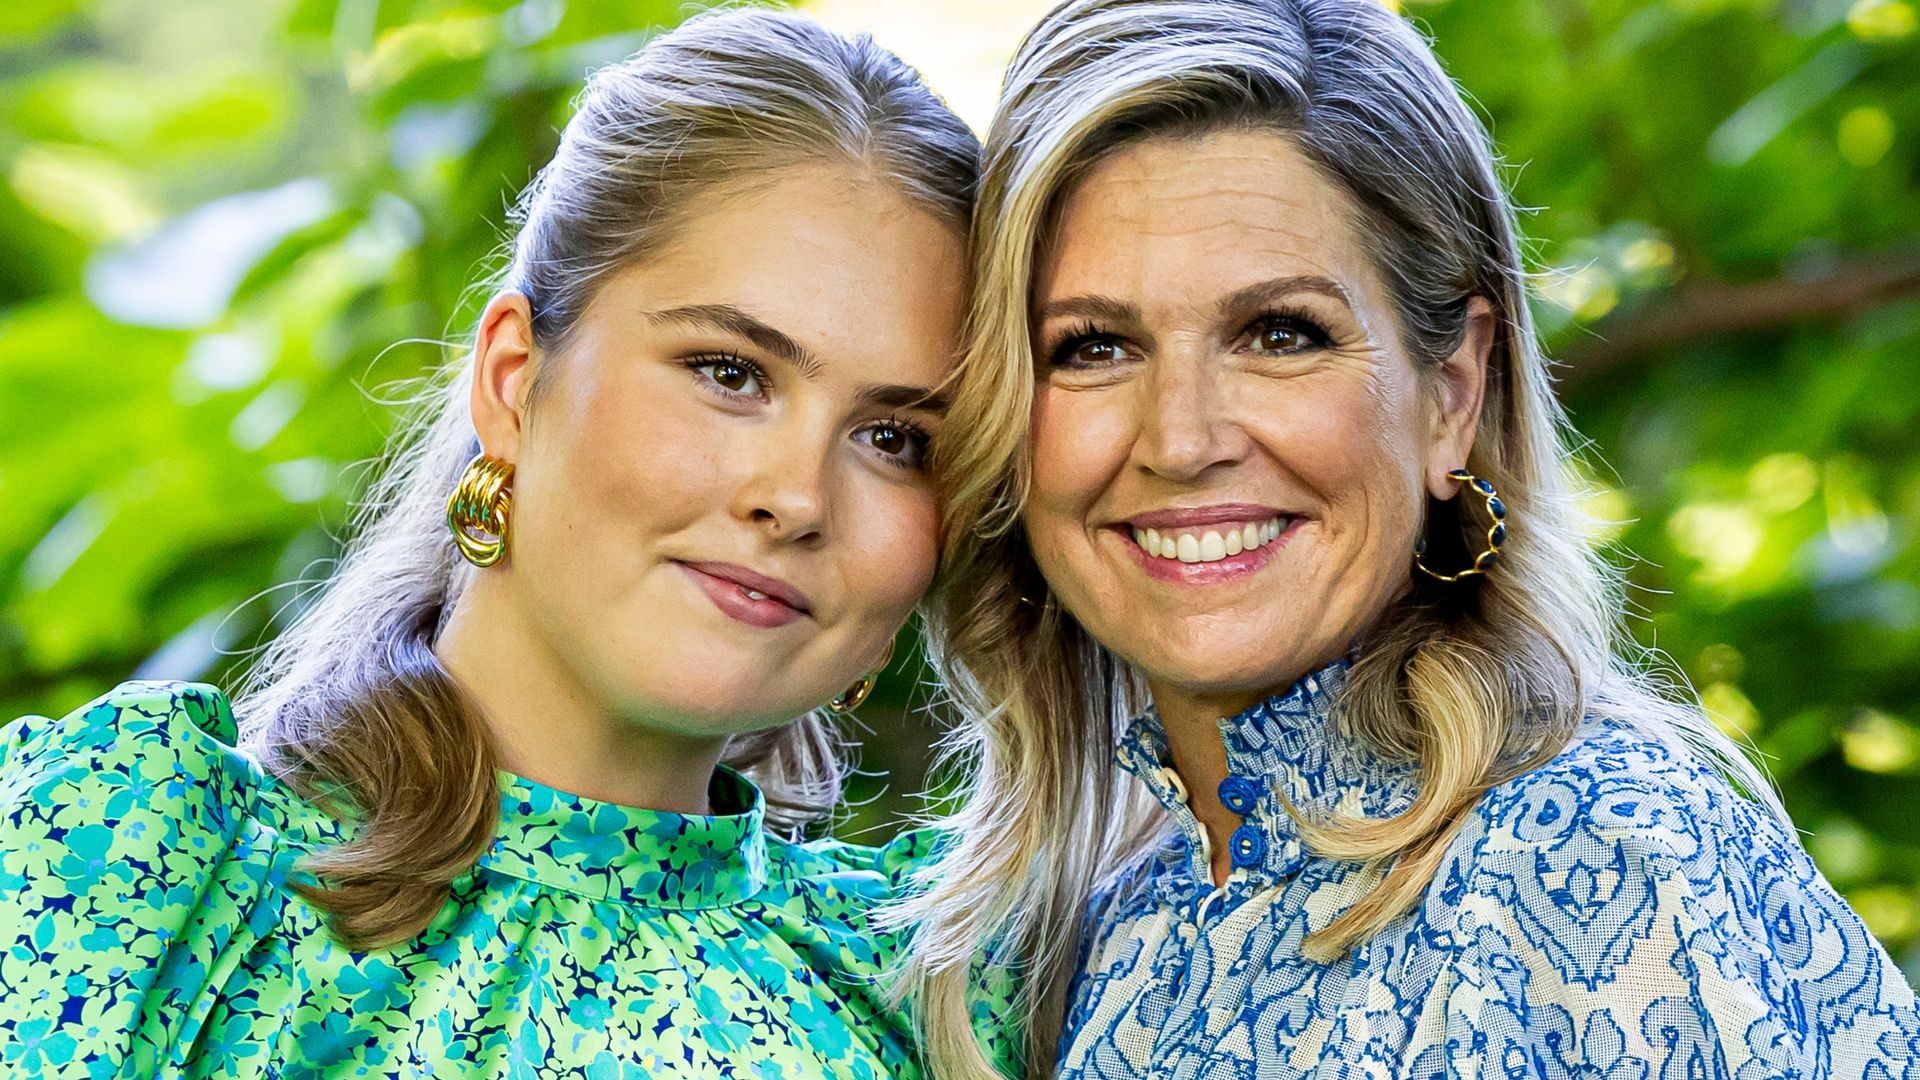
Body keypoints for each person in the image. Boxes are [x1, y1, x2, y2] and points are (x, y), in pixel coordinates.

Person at [890, 0, 1920, 1077]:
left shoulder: (1598, 846)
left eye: (1280, 334)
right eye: (1093, 346)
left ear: (1453, 391)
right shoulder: (1069, 943)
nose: (1182, 439)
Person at [0, 8, 996, 1076]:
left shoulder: (938, 993)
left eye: (894, 438)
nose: (797, 497)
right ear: (514, 381)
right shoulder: (135, 866)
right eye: (728, 371)